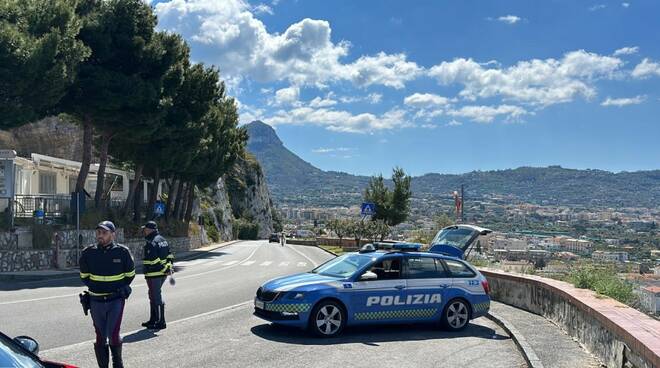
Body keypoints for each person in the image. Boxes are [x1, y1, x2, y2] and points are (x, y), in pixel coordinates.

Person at [79, 221, 135, 368]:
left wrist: (118, 287)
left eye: (104, 233)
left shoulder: (122, 252)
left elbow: (130, 275)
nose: (100, 236)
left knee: (114, 334)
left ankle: (118, 364)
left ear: (112, 234)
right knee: (100, 336)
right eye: (98, 232)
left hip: (115, 300)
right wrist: (97, 287)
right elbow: (84, 276)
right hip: (96, 301)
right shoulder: (88, 253)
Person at [140, 220, 173, 330]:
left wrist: (164, 269)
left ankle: (161, 321)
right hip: (162, 274)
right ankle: (153, 319)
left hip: (154, 274)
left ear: (150, 229)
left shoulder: (151, 242)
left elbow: (154, 260)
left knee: (155, 296)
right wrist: (168, 267)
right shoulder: (163, 240)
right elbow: (170, 255)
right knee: (153, 295)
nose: (144, 231)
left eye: (145, 229)